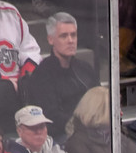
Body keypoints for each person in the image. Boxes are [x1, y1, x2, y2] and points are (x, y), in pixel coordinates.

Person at [19, 12, 99, 142]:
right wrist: (84, 123)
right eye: (64, 36)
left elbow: (100, 100)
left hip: (92, 130)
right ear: (51, 40)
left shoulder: (85, 69)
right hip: (63, 136)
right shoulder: (41, 75)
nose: (70, 40)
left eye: (73, 35)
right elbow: (52, 117)